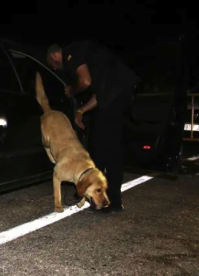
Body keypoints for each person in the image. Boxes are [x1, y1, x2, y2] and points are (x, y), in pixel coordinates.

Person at [46, 40, 140, 214]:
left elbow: (85, 82)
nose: (55, 68)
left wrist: (71, 91)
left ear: (54, 56)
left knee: (100, 146)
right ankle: (112, 200)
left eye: (52, 65)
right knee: (111, 148)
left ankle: (105, 200)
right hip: (120, 93)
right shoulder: (98, 66)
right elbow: (101, 95)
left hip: (118, 94)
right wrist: (81, 110)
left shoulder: (70, 53)